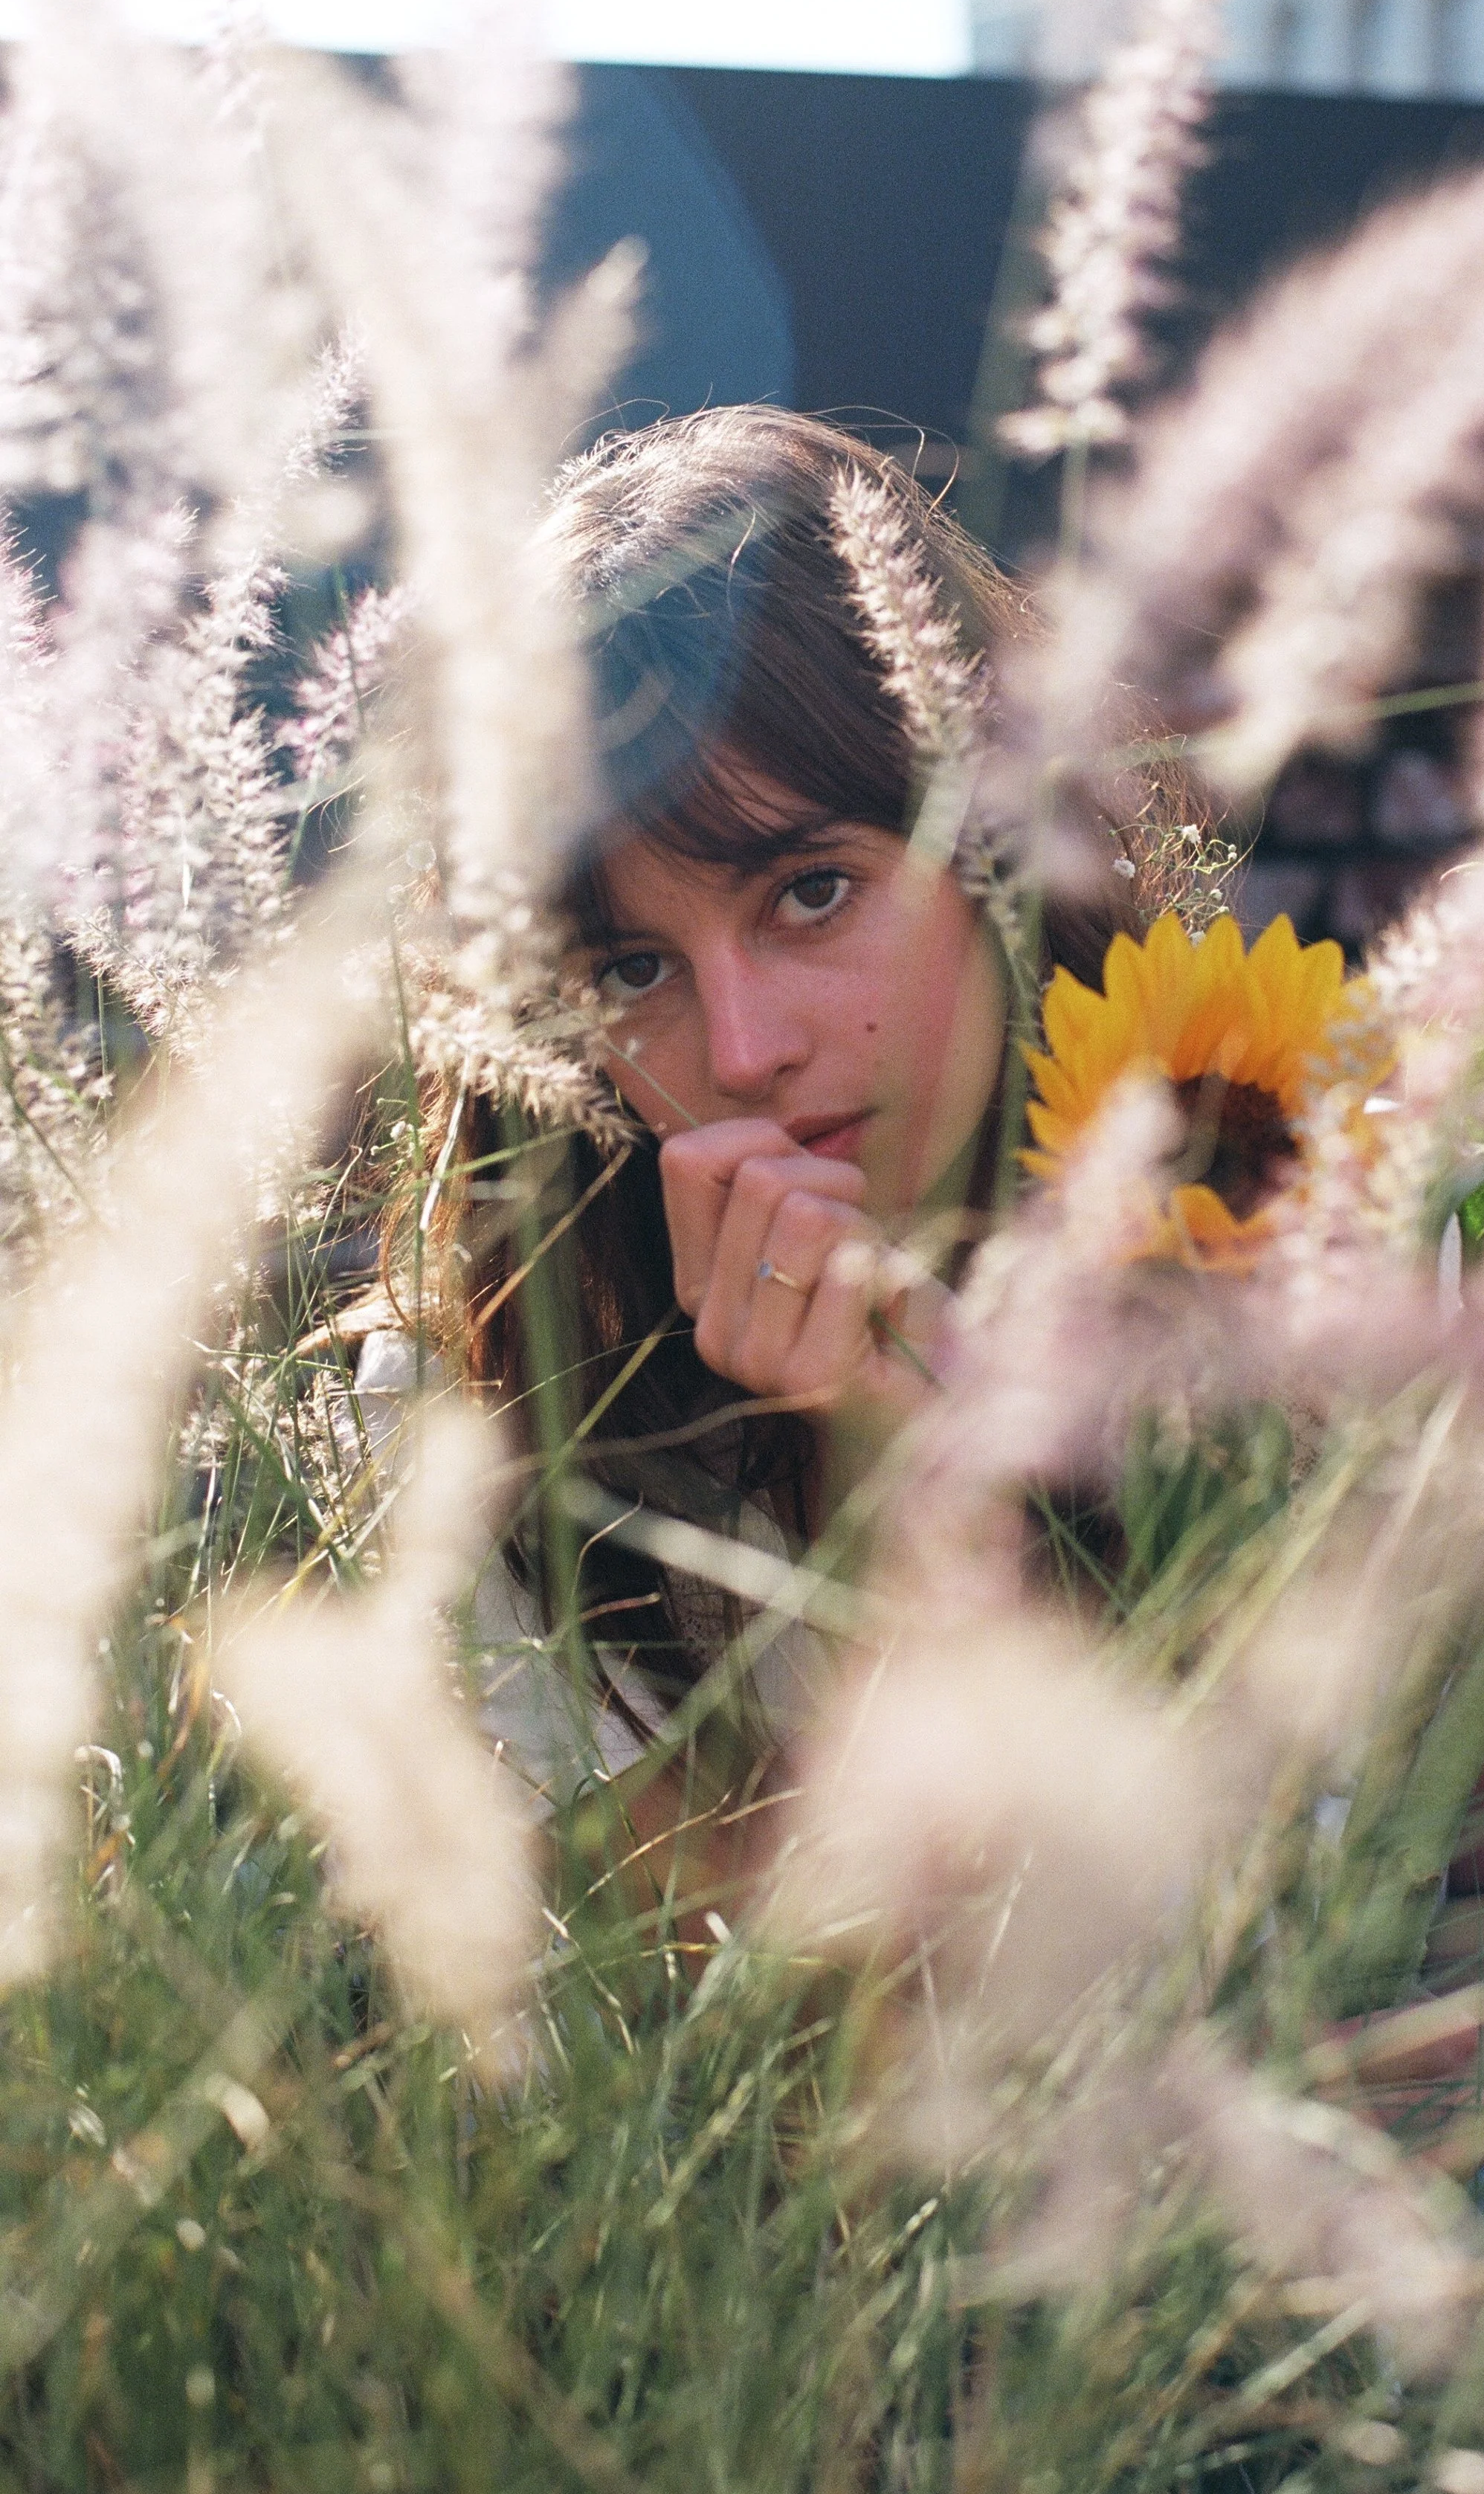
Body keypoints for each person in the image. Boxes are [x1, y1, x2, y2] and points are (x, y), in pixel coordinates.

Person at [361, 405, 1138, 1900]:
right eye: (631, 971)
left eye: (809, 891)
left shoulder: (1305, 1213)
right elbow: (749, 2077)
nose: (739, 1047)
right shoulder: (487, 1404)